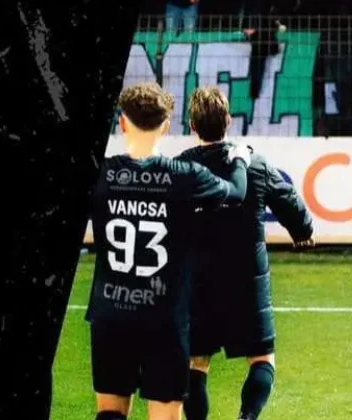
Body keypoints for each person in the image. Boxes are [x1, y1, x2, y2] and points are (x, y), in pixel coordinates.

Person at [85, 82, 252, 420]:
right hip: (164, 317)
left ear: (122, 123)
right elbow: (236, 193)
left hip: (110, 313)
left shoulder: (102, 174)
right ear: (165, 126)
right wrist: (239, 158)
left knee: (110, 413)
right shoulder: (185, 176)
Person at [175, 87, 315, 420]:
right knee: (262, 359)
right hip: (246, 280)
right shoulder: (255, 163)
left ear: (192, 125)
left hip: (197, 280)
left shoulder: (181, 168)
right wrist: (303, 232)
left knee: (196, 362)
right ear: (228, 120)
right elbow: (289, 201)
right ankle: (246, 417)